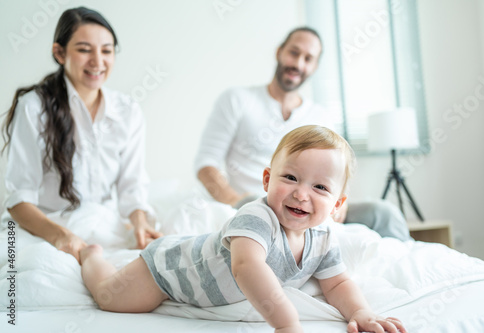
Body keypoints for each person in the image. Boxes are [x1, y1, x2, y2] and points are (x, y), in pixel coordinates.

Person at [80, 125, 407, 333]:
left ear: (338, 205)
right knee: (109, 297)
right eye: (290, 178)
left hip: (196, 261)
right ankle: (91, 256)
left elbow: (337, 283)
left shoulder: (323, 238)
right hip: (169, 271)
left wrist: (362, 312)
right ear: (267, 180)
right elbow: (246, 265)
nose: (301, 193)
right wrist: (287, 324)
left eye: (320, 187)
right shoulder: (257, 217)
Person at [194, 27, 411, 241]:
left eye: (308, 59)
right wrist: (234, 200)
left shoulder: (320, 115)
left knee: (384, 213)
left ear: (315, 67)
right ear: (279, 52)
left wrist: (339, 203)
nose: (298, 64)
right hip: (255, 202)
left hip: (313, 208)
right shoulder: (237, 100)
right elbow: (206, 164)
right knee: (254, 202)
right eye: (294, 53)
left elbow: (338, 171)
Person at [1, 7, 161, 264]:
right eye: (85, 50)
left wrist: (140, 223)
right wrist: (61, 236)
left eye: (107, 51)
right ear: (59, 53)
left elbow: (132, 186)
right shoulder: (33, 107)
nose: (98, 62)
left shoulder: (127, 111)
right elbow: (20, 199)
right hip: (46, 230)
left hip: (101, 227)